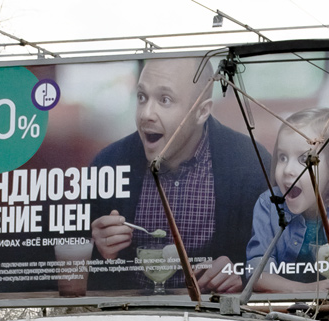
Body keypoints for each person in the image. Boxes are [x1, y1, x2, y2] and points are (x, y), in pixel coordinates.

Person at [88, 57, 271, 293]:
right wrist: (101, 249)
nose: (146, 114)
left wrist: (242, 275)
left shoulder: (249, 163)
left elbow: (279, 260)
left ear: (202, 111)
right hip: (131, 319)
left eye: (165, 100)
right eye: (142, 97)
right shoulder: (108, 164)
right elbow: (78, 276)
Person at [242, 107, 329, 296]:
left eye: (304, 159)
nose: (287, 170)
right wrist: (308, 290)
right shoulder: (268, 204)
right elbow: (257, 272)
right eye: (283, 157)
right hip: (281, 312)